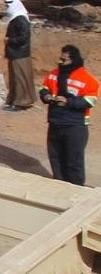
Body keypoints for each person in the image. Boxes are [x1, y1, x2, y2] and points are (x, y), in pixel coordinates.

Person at [39, 45, 98, 186]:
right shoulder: (53, 74)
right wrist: (46, 96)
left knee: (74, 161)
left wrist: (68, 101)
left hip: (75, 126)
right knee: (56, 158)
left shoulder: (87, 79)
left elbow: (89, 101)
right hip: (55, 123)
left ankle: (76, 189)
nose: (60, 62)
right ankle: (59, 186)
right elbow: (44, 88)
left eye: (64, 60)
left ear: (73, 60)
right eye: (60, 59)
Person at [3, 0, 37, 111]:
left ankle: (21, 102)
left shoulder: (21, 19)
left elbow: (24, 37)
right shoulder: (16, 17)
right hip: (15, 53)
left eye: (8, 5)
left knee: (20, 78)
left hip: (20, 54)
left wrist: (10, 40)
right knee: (14, 78)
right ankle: (14, 99)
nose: (7, 8)